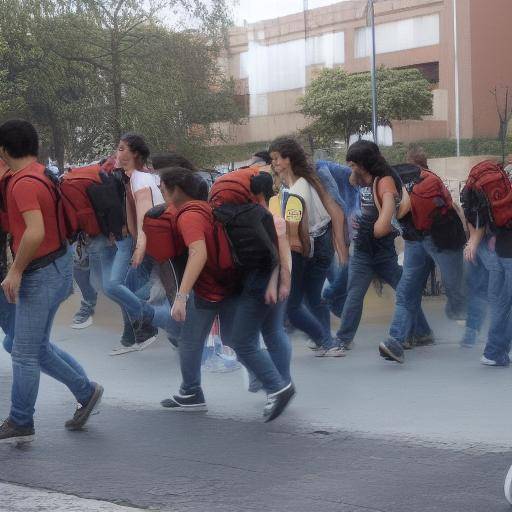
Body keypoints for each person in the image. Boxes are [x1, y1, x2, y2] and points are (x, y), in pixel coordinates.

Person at [159, 167, 294, 422]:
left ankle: (275, 385)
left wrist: (181, 296)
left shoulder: (194, 215)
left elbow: (199, 253)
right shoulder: (222, 212)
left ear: (177, 189)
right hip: (232, 284)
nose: (159, 191)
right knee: (236, 337)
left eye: (162, 186)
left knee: (195, 339)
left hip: (210, 287)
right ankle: (269, 382)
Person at [0, 119, 103, 443]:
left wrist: (15, 270)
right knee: (36, 348)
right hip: (58, 267)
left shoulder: (23, 183)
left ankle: (21, 420)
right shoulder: (43, 173)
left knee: (23, 352)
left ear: (4, 150)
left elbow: (35, 231)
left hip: (41, 273)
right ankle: (86, 392)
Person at [326, 141, 431, 358]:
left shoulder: (385, 182)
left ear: (364, 163)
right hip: (364, 251)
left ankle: (421, 331)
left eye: (353, 163)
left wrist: (368, 228)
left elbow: (384, 224)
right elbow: (353, 184)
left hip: (382, 251)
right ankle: (343, 340)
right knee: (354, 294)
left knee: (405, 290)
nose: (350, 167)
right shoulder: (366, 179)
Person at [379, 145, 466, 363]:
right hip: (438, 239)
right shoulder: (432, 179)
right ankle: (398, 339)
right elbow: (453, 207)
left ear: (410, 162)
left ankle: (406, 338)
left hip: (416, 240)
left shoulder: (401, 181)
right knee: (445, 285)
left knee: (408, 290)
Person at [88, 133, 165, 355]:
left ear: (135, 154)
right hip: (146, 244)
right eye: (118, 148)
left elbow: (145, 217)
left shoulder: (141, 180)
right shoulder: (133, 178)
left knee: (115, 286)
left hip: (152, 246)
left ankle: (149, 321)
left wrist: (139, 247)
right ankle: (135, 335)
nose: (117, 152)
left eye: (122, 149)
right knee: (126, 289)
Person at [269, 138, 348, 354]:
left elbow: (294, 227)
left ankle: (325, 340)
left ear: (288, 159)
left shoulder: (297, 189)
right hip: (321, 243)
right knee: (313, 297)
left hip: (305, 247)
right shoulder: (307, 180)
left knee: (292, 306)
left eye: (277, 158)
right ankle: (324, 339)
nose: (274, 163)